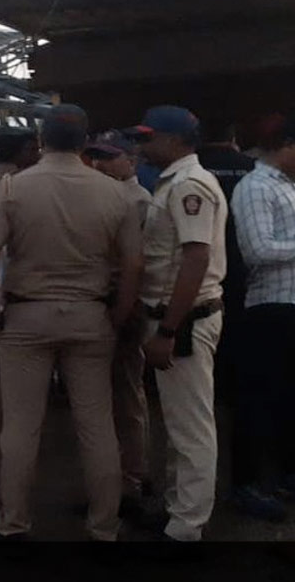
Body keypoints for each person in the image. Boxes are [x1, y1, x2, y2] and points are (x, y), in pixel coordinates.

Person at [0, 104, 142, 542]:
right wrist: (119, 315)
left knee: (21, 425)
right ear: (86, 142)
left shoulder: (13, 188)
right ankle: (104, 526)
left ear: (40, 140)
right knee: (97, 423)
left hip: (26, 315)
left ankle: (13, 525)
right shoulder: (114, 193)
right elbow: (132, 262)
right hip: (91, 316)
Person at [127, 106, 227, 542]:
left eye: (149, 137)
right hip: (174, 316)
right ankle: (178, 511)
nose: (142, 145)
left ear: (175, 140)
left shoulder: (189, 185)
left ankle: (186, 528)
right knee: (180, 424)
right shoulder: (174, 181)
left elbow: (196, 257)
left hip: (184, 319)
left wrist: (168, 330)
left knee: (191, 427)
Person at [227, 115, 295, 523]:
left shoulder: (288, 186)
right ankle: (246, 483)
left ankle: (285, 474)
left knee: (287, 398)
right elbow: (258, 250)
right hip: (269, 308)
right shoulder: (255, 187)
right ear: (285, 146)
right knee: (258, 399)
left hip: (289, 306)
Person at [84, 131, 152, 515]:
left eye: (110, 157)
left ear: (131, 160)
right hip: (101, 302)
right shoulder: (104, 195)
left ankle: (134, 479)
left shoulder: (137, 200)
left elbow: (134, 265)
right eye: (97, 157)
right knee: (103, 399)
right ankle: (112, 482)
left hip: (124, 303)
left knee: (126, 396)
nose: (102, 164)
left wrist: (123, 311)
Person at [197, 120, 256, 409]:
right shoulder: (252, 167)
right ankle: (238, 386)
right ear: (233, 137)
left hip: (202, 264)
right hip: (244, 262)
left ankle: (217, 387)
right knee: (239, 330)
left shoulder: (193, 169)